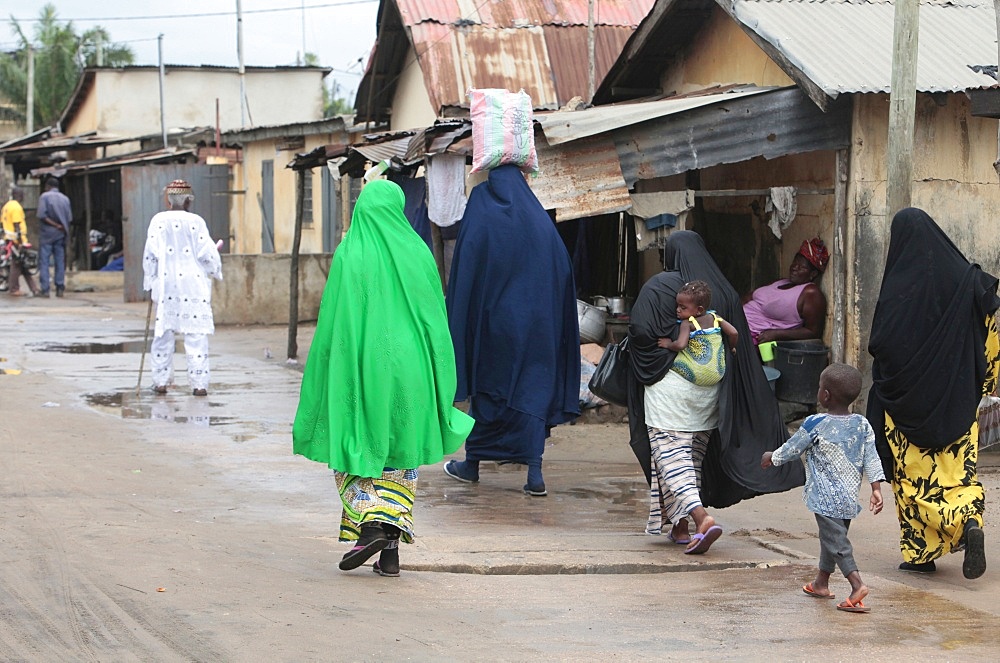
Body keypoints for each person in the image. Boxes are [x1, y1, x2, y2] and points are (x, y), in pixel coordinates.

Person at [293, 179, 474, 576]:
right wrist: (439, 373)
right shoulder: (418, 252)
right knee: (400, 454)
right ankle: (389, 553)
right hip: (410, 369)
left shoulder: (349, 253)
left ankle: (371, 525)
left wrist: (325, 370)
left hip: (361, 365)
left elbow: (333, 322)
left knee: (357, 442)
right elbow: (435, 320)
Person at [627, 231, 803, 554]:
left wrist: (659, 357)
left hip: (671, 396)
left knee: (669, 458)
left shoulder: (659, 288)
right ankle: (680, 527)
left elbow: (639, 330)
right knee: (691, 458)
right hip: (708, 397)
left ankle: (701, 519)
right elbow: (738, 343)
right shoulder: (720, 292)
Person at [867, 207, 999, 580]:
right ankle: (970, 523)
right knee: (958, 474)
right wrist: (985, 384)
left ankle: (921, 555)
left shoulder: (898, 289)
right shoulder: (968, 279)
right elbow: (991, 333)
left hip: (906, 406)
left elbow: (882, 344)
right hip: (959, 402)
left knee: (914, 479)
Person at [442, 164, 580, 497]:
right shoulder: (539, 221)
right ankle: (534, 474)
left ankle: (472, 464)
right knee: (531, 392)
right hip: (537, 329)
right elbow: (562, 273)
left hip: (493, 327)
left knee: (489, 392)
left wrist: (465, 315)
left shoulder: (482, 207)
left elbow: (466, 265)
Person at [762, 363, 885, 613]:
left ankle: (857, 585)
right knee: (832, 538)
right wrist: (876, 488)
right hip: (849, 497)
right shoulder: (862, 424)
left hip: (824, 497)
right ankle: (821, 583)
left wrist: (772, 457)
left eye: (820, 388)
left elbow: (793, 448)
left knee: (837, 543)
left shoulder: (814, 423)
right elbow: (872, 458)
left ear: (825, 395)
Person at [142, 179, 223, 397]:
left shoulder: (158, 220)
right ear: (188, 200)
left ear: (169, 201)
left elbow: (150, 253)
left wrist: (150, 280)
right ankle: (199, 385)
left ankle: (160, 381)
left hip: (166, 283)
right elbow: (206, 253)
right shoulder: (196, 221)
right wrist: (215, 268)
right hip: (192, 285)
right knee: (196, 335)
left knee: (163, 334)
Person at [743, 237, 829, 344]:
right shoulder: (781, 282)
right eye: (794, 263)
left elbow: (813, 332)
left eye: (801, 267)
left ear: (813, 274)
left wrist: (776, 334)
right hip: (736, 322)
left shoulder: (810, 293)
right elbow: (750, 296)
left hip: (749, 336)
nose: (794, 268)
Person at [37, 177, 73, 298]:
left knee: (44, 262)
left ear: (47, 186)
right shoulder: (65, 199)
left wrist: (55, 225)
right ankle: (59, 287)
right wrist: (61, 226)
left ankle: (45, 289)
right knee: (59, 261)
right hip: (61, 234)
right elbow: (69, 218)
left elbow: (42, 215)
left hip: (47, 234)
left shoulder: (44, 197)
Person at [2, 186, 41, 297]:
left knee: (23, 264)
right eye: (22, 194)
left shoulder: (7, 206)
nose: (24, 196)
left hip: (9, 239)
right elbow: (16, 225)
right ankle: (14, 289)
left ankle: (34, 289)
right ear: (18, 195)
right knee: (17, 265)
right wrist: (20, 243)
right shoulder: (16, 207)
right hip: (16, 241)